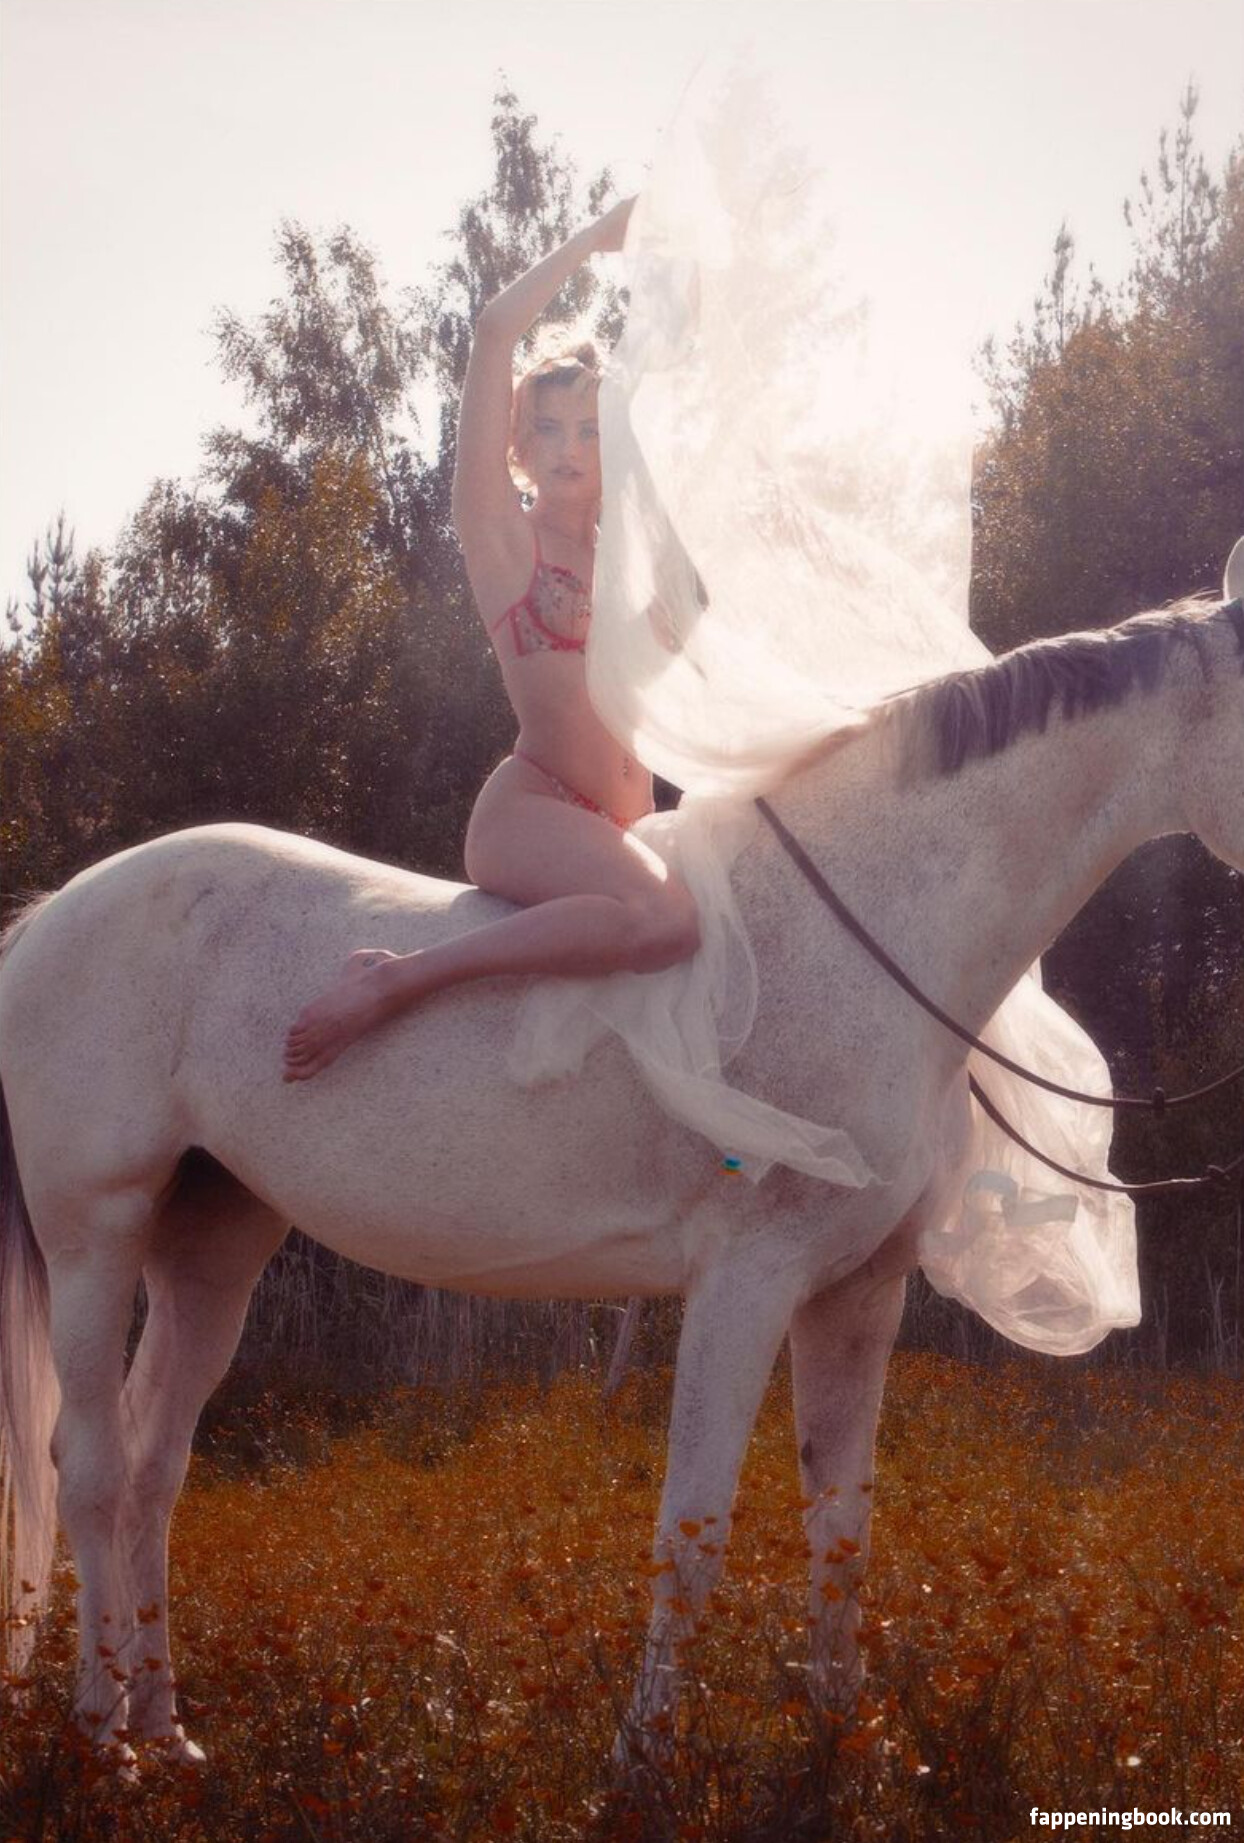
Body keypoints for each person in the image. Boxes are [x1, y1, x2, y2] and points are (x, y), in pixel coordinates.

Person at [282, 198, 700, 1082]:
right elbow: (493, 332)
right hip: (533, 811)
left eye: (588, 427)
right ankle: (396, 979)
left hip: (632, 826)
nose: (567, 446)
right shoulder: (504, 537)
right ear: (518, 443)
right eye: (546, 427)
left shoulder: (631, 562)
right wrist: (596, 239)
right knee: (669, 921)